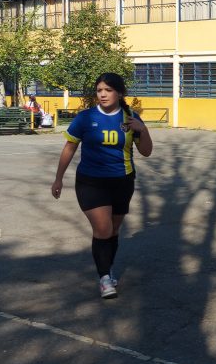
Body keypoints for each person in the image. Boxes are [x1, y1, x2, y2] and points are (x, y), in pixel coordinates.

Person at [51, 73, 153, 299]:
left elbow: (146, 151)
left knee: (114, 230)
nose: (103, 94)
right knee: (103, 229)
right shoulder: (85, 118)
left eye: (108, 90)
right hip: (91, 182)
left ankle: (107, 269)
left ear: (119, 93)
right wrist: (58, 178)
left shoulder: (130, 117)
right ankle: (105, 278)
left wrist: (142, 129)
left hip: (123, 181)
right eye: (99, 90)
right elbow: (70, 148)